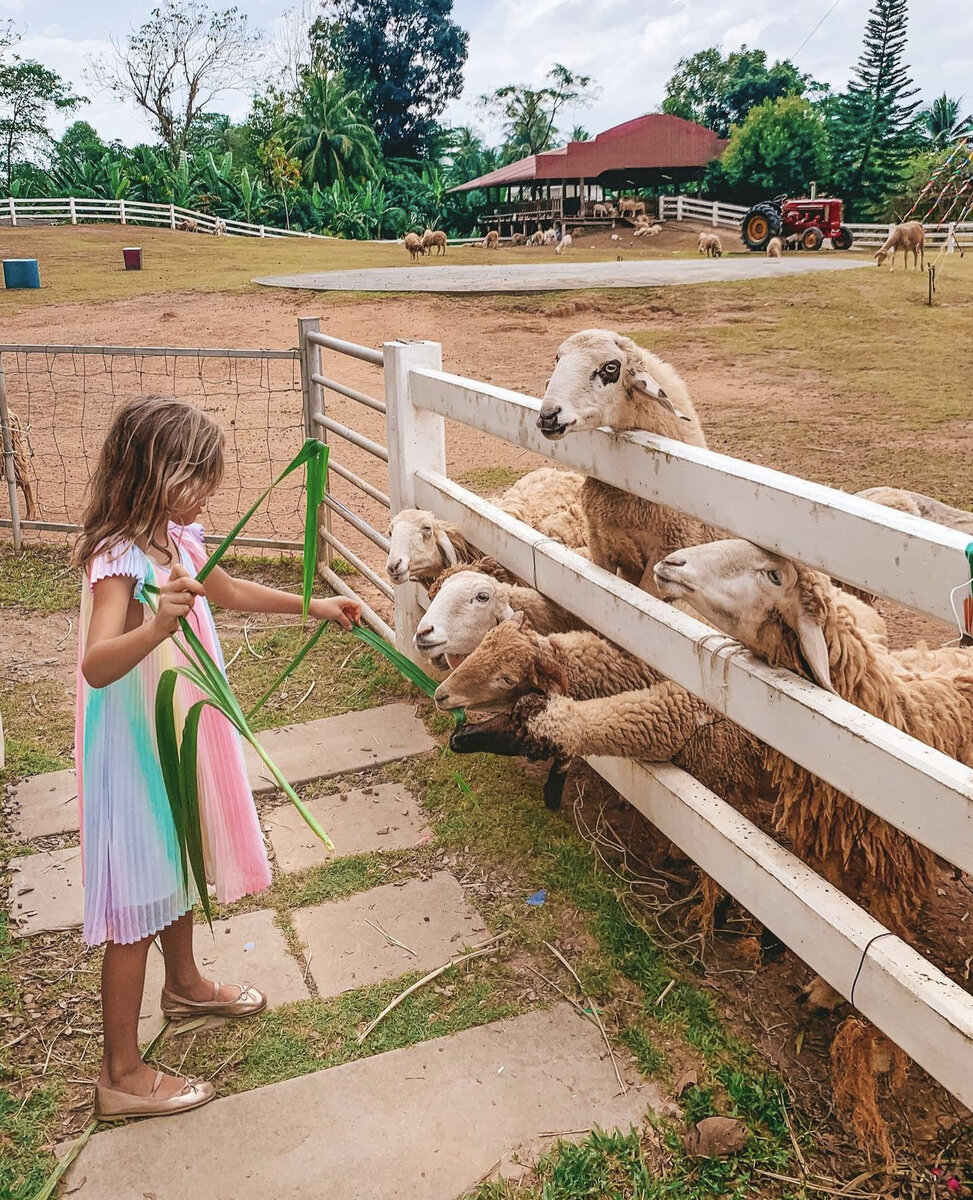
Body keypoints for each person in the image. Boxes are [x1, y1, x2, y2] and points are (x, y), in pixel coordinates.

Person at [74, 395, 360, 1120]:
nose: (206, 490)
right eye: (193, 475)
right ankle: (121, 1075)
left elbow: (223, 589)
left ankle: (185, 985)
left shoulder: (176, 536)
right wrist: (156, 622)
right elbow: (98, 664)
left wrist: (311, 605)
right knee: (136, 893)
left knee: (178, 853)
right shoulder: (118, 556)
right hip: (135, 742)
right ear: (149, 470)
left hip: (181, 727)